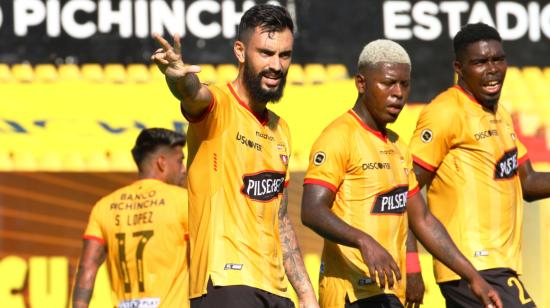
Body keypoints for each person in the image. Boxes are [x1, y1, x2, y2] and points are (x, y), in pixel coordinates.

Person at [300, 39, 502, 308]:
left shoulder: (399, 147)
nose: (398, 93)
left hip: (388, 292)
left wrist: (472, 277)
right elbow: (311, 210)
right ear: (361, 83)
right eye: (388, 83)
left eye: (404, 84)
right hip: (349, 294)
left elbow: (423, 220)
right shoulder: (338, 137)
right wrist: (363, 241)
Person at [150, 4, 318, 308]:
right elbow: (193, 93)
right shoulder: (219, 105)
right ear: (240, 51)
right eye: (265, 53)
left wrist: (305, 293)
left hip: (276, 289)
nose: (276, 66)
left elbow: (280, 219)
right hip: (226, 281)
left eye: (285, 55)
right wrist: (178, 79)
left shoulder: (281, 130)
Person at [409, 22, 550, 308]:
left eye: (498, 59)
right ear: (459, 67)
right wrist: (412, 266)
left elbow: (529, 183)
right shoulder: (444, 113)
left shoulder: (501, 115)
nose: (492, 69)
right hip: (471, 264)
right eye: (480, 62)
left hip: (499, 265)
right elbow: (403, 190)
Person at [72, 128, 189, 308]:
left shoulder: (105, 206)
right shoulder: (183, 201)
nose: (183, 169)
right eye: (180, 161)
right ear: (161, 163)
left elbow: (87, 267)